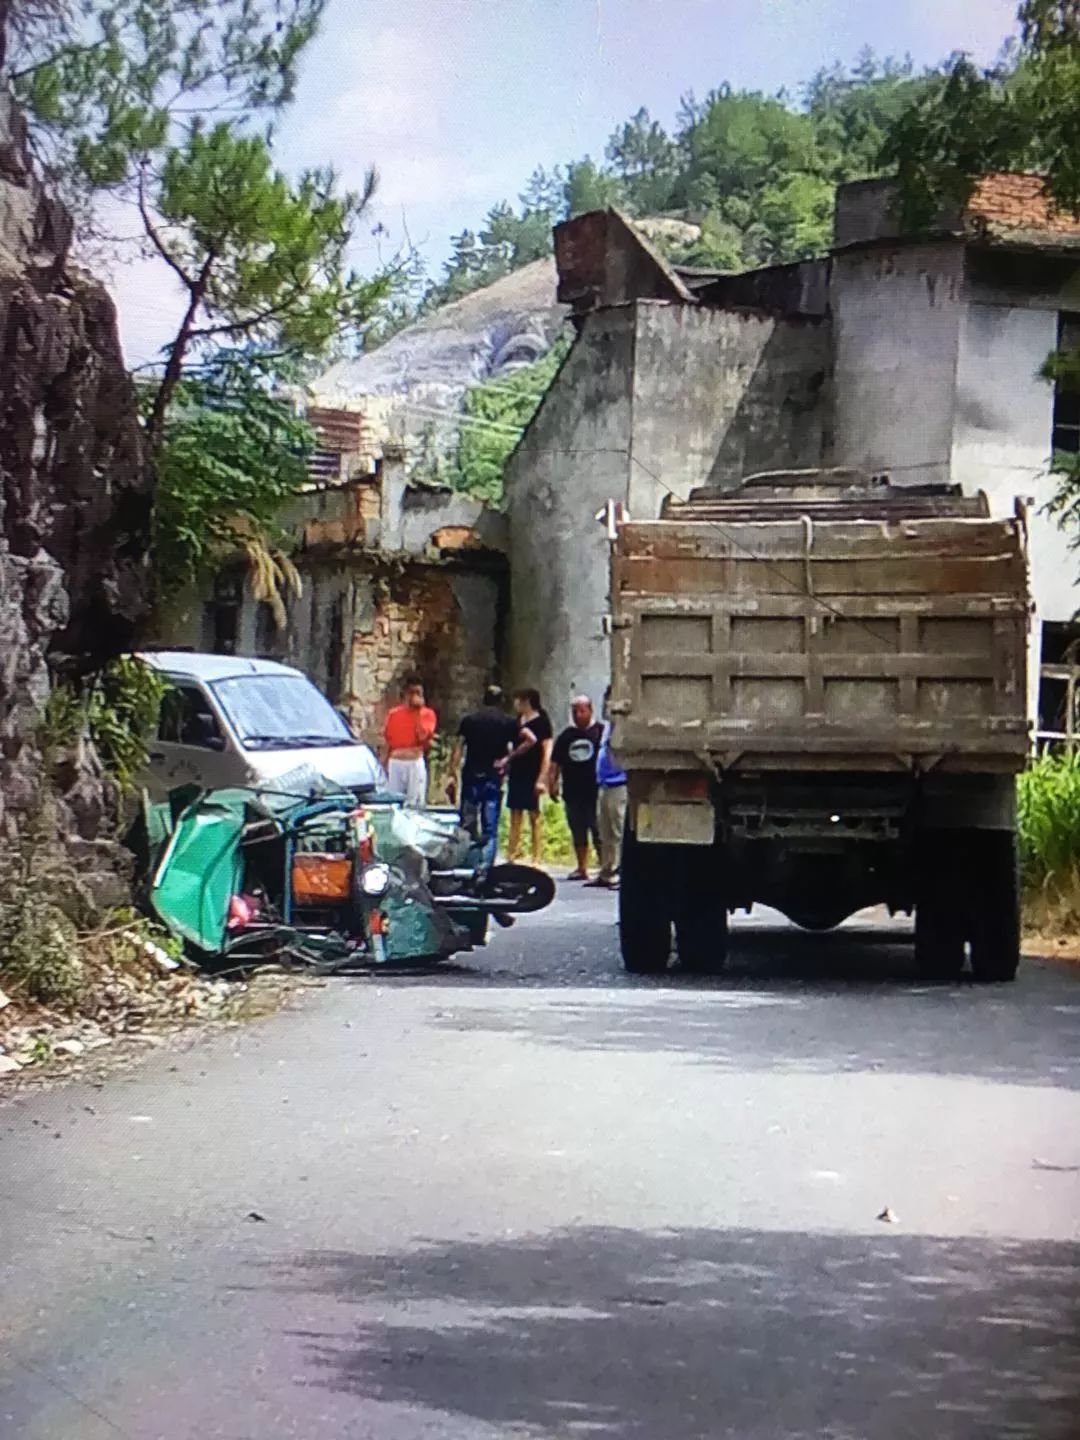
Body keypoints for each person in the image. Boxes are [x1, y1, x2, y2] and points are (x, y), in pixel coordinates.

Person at [450, 684, 518, 869]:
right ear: (501, 701)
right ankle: (485, 868)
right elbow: (516, 746)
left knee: (467, 824)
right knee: (490, 827)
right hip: (493, 776)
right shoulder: (508, 722)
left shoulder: (470, 721)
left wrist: (452, 773)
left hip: (471, 774)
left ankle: (466, 863)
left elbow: (459, 747)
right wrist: (507, 762)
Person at [550, 695, 603, 880]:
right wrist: (552, 782)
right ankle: (582, 867)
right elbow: (555, 762)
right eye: (575, 712)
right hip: (573, 791)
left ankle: (605, 866)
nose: (578, 715)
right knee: (577, 829)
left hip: (595, 790)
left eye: (582, 711)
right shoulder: (566, 736)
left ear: (590, 710)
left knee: (598, 829)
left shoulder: (601, 733)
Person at [504, 688, 552, 865]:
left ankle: (537, 855)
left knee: (534, 814)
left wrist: (543, 776)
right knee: (515, 812)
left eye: (518, 700)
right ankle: (512, 852)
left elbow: (547, 749)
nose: (515, 704)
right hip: (517, 771)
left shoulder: (542, 722)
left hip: (533, 771)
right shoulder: (518, 721)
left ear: (527, 701)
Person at [589, 690, 628, 889]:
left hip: (619, 783)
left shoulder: (623, 726)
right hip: (604, 782)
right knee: (604, 830)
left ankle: (618, 870)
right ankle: (606, 869)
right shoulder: (607, 726)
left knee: (617, 830)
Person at [383, 675, 437, 807]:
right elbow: (387, 740)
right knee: (393, 802)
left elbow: (423, 738)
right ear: (405, 694)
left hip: (414, 762)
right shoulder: (393, 714)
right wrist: (383, 762)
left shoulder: (427, 714)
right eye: (412, 693)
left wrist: (417, 713)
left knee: (414, 804)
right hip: (396, 762)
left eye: (419, 693)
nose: (415, 696)